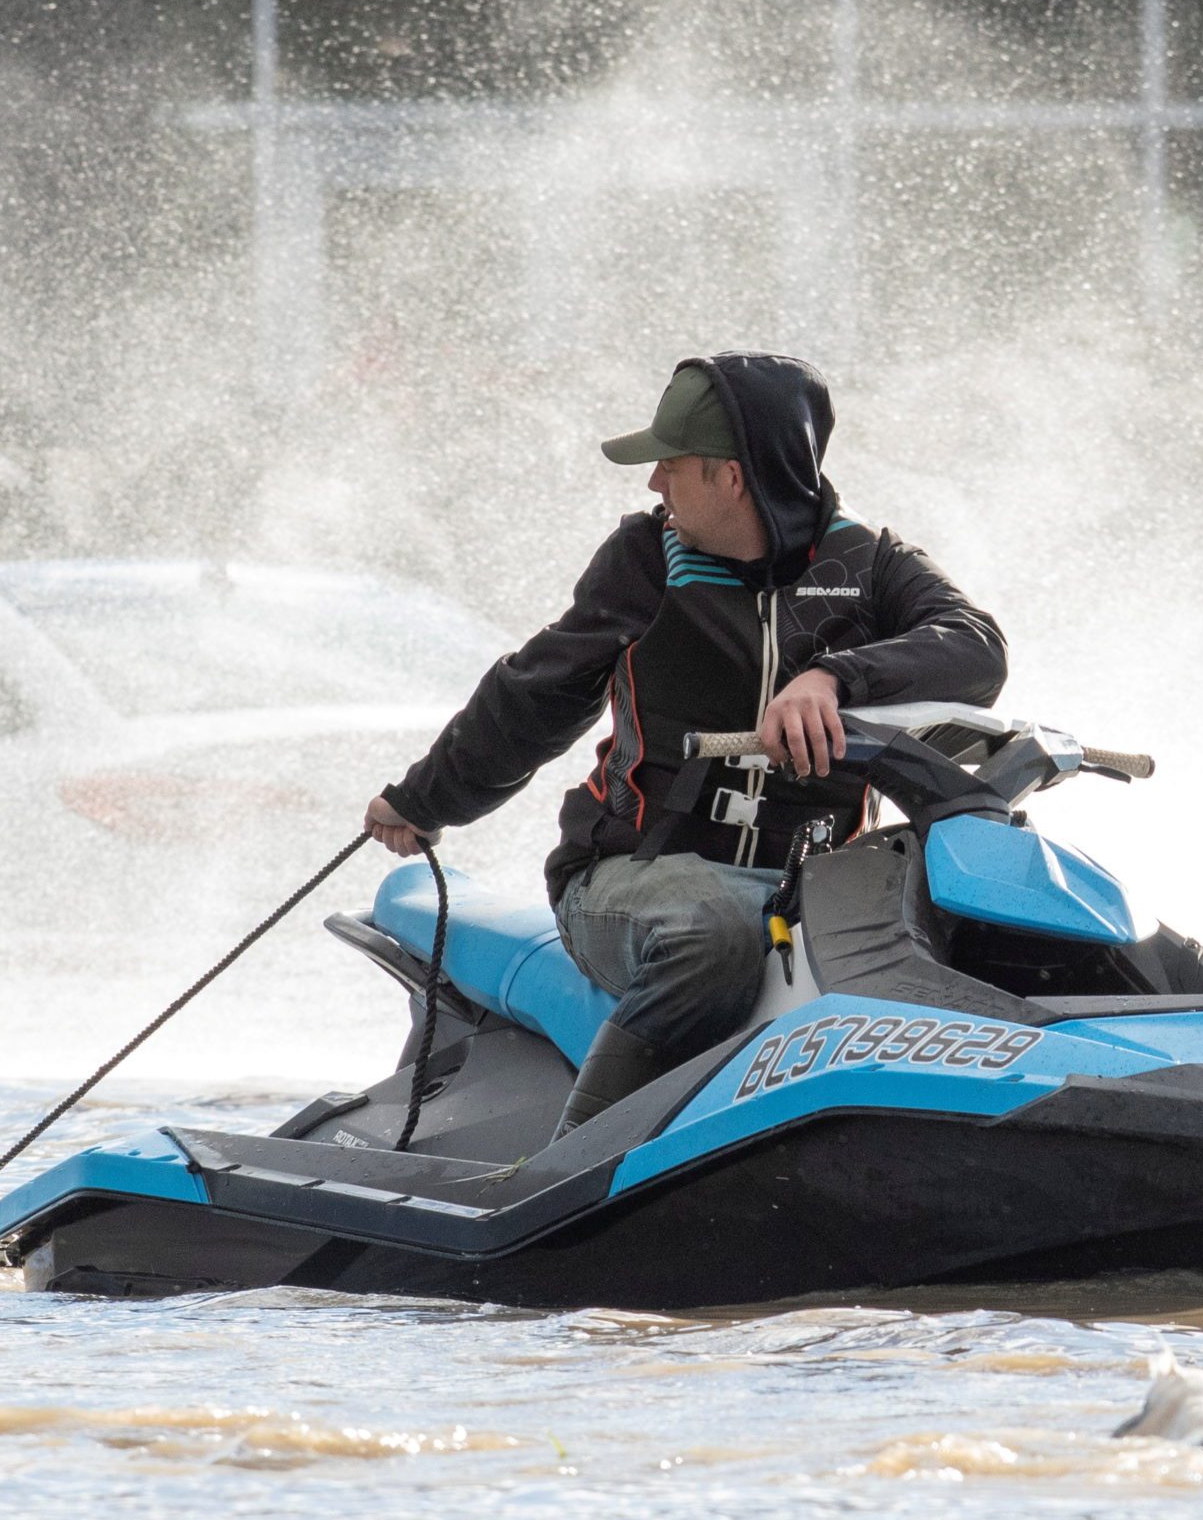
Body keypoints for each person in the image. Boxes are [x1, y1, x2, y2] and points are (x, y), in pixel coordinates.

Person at [363, 352, 1008, 1135]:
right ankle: (582, 1160)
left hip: (813, 895)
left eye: (669, 463)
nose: (653, 483)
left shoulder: (872, 565)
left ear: (729, 477)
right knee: (720, 931)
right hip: (626, 880)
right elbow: (531, 697)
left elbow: (975, 645)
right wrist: (424, 800)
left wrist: (834, 678)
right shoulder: (643, 563)